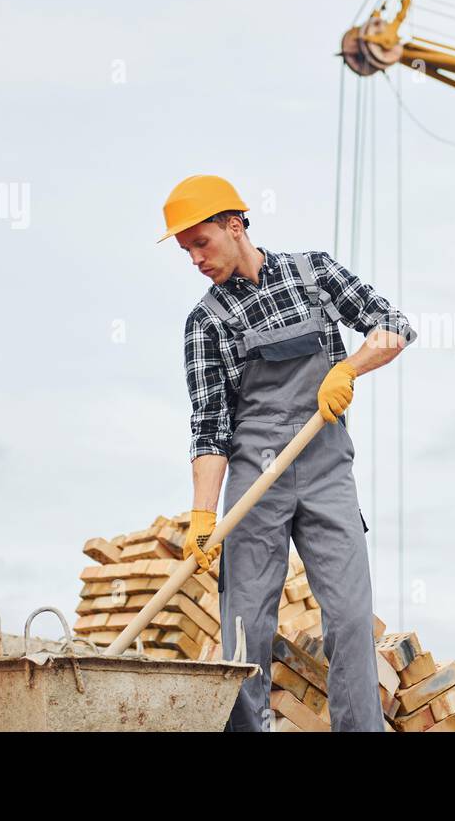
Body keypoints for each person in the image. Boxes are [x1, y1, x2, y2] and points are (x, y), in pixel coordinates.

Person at [158, 174, 415, 731]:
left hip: (327, 474)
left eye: (201, 243)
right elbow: (210, 426)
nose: (195, 260)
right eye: (186, 251)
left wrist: (349, 368)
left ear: (235, 225)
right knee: (245, 627)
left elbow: (394, 327)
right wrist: (205, 513)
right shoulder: (206, 322)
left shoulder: (314, 273)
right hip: (256, 481)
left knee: (348, 618)